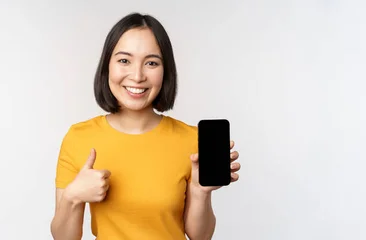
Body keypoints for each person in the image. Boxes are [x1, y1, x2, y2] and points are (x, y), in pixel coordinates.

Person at [50, 12, 241, 240]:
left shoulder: (190, 139)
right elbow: (63, 238)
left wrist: (200, 192)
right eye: (124, 60)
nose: (138, 75)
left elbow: (201, 236)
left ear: (165, 71)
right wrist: (73, 196)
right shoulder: (79, 137)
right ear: (107, 66)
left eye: (151, 63)